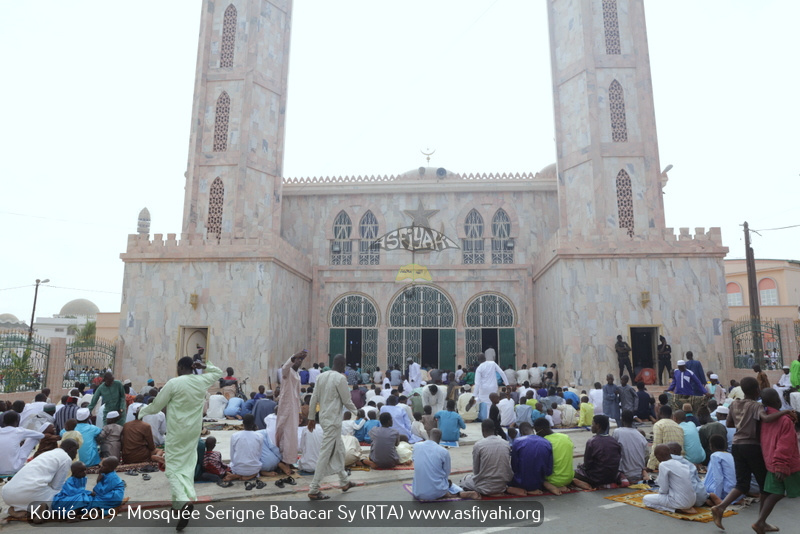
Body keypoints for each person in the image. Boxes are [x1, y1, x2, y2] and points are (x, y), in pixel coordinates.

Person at [137, 357, 223, 531]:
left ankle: (184, 502)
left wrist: (141, 412)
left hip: (177, 432)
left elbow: (156, 406)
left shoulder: (174, 383)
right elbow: (218, 373)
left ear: (181, 367)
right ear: (193, 367)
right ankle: (178, 505)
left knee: (173, 468)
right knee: (187, 466)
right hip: (193, 432)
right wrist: (205, 366)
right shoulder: (201, 380)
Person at [711, 377, 796, 530]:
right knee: (766, 487)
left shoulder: (734, 404)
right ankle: (761, 521)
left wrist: (743, 423)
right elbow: (766, 418)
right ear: (757, 390)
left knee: (742, 484)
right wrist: (785, 413)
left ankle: (720, 507)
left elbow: (730, 423)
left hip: (737, 446)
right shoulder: (756, 406)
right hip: (751, 446)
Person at [307, 354, 358, 500]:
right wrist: (357, 412)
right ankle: (314, 488)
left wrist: (311, 417)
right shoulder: (340, 378)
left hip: (323, 418)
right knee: (325, 453)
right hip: (334, 420)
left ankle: (344, 481)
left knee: (340, 449)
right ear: (343, 365)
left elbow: (314, 398)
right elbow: (347, 401)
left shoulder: (321, 377)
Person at [751, 387, 800, 534]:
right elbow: (785, 444)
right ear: (777, 401)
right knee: (778, 492)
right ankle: (760, 522)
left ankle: (761, 521)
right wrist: (781, 464)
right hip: (785, 463)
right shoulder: (784, 420)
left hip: (771, 460)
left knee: (774, 491)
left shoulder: (765, 417)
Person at [2, 439, 80, 519]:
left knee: (43, 491)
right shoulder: (66, 458)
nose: (76, 454)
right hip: (27, 494)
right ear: (70, 449)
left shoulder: (49, 454)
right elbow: (57, 486)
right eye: (76, 450)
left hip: (7, 494)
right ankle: (38, 509)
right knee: (63, 499)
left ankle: (16, 510)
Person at [411, 428, 479, 500]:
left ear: (428, 436)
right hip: (437, 492)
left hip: (417, 492)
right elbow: (447, 472)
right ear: (440, 439)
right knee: (448, 483)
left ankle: (452, 492)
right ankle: (458, 492)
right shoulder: (443, 451)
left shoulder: (416, 446)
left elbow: (415, 461)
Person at [459, 420, 514, 496]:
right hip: (501, 486)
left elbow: (476, 471)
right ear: (494, 429)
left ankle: (477, 493)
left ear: (482, 430)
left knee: (465, 479)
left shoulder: (479, 445)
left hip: (484, 487)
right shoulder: (505, 443)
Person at [643, 444, 699, 514]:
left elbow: (664, 489)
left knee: (646, 499)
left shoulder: (663, 465)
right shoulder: (681, 464)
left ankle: (676, 510)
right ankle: (683, 507)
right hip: (692, 500)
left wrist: (660, 493)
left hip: (680, 502)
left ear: (658, 456)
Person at [573, 415, 624, 489]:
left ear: (598, 425)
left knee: (573, 473)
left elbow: (587, 464)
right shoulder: (614, 441)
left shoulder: (592, 442)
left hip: (596, 477)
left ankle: (589, 485)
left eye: (592, 424)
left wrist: (581, 466)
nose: (591, 426)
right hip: (612, 477)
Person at [276, 350, 306, 470]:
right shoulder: (286, 372)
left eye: (301, 360)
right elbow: (285, 366)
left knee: (292, 434)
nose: (299, 361)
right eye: (297, 359)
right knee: (285, 433)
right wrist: (294, 356)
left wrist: (299, 412)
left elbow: (298, 396)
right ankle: (283, 460)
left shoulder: (297, 375)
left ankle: (289, 460)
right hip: (286, 406)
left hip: (294, 408)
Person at [532, 417, 575, 495]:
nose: (536, 434)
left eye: (536, 431)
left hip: (553, 480)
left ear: (540, 429)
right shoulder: (565, 437)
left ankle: (550, 486)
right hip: (569, 478)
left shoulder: (543, 442)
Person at [509, 422, 552, 494]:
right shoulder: (546, 442)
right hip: (539, 483)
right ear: (533, 429)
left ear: (521, 432)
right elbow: (548, 470)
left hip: (520, 482)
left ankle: (522, 490)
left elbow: (514, 467)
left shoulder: (518, 442)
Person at [0, 411, 44, 475]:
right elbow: (41, 435)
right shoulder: (19, 431)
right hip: (13, 468)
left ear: (3, 422)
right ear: (17, 422)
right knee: (33, 438)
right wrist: (23, 438)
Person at [225, 414, 264, 482]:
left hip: (238, 469)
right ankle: (249, 476)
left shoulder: (235, 436)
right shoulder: (259, 436)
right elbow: (259, 455)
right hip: (254, 469)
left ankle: (239, 476)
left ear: (243, 423)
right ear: (253, 423)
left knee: (229, 465)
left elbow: (232, 455)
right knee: (258, 466)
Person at [613, 410, 648, 483]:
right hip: (638, 474)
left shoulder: (617, 432)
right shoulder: (640, 435)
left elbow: (611, 451)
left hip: (625, 474)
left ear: (622, 419)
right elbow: (646, 455)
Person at [647, 405, 684, 470]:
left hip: (664, 462)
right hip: (679, 462)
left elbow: (656, 446)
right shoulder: (678, 426)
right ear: (671, 415)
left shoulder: (659, 425)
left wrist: (650, 466)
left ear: (660, 413)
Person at [704, 434, 736, 502]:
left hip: (726, 492)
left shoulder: (715, 456)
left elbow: (718, 478)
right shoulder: (730, 455)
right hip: (736, 492)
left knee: (701, 488)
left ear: (711, 446)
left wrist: (716, 497)